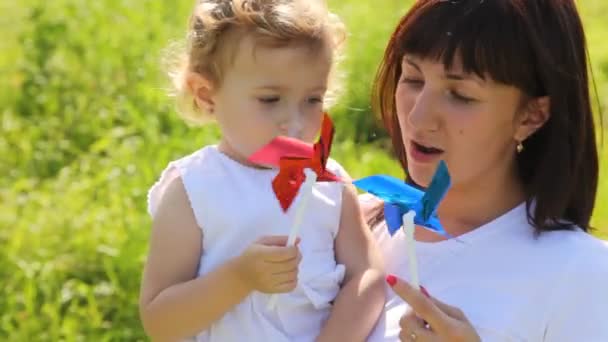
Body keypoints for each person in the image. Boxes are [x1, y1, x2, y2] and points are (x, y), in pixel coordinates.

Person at [138, 1, 385, 341]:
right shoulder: (194, 190)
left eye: (313, 99)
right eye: (270, 99)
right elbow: (159, 321)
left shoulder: (327, 182)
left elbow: (367, 275)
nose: (295, 122)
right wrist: (239, 278)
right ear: (207, 95)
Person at [362, 0, 608, 341]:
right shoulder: (351, 226)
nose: (418, 117)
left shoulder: (581, 272)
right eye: (414, 79)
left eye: (460, 95)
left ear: (531, 116)